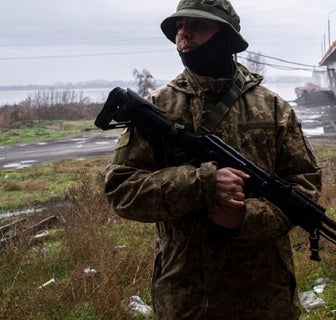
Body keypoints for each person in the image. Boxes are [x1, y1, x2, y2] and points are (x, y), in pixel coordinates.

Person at [103, 0, 322, 319]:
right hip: (187, 298)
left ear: (226, 36)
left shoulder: (273, 108)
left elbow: (305, 187)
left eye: (197, 26)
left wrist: (246, 216)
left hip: (266, 296)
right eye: (180, 27)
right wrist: (201, 183)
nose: (184, 34)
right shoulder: (157, 108)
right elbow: (122, 190)